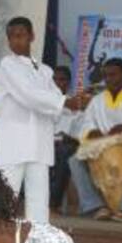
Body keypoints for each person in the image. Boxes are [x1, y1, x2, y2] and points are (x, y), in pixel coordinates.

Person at [0, 17, 89, 223]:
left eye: (21, 35)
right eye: (12, 37)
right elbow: (29, 95)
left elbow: (55, 103)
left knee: (39, 200)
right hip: (14, 143)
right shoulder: (8, 65)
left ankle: (38, 240)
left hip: (39, 143)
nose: (16, 41)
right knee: (6, 197)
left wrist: (77, 103)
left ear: (32, 36)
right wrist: (65, 102)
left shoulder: (45, 71)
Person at [68, 57, 122, 222]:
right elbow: (86, 124)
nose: (109, 79)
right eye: (106, 76)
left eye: (113, 75)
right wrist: (91, 132)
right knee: (74, 161)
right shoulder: (97, 100)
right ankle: (95, 206)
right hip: (102, 146)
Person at [50, 65, 83, 215]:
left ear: (68, 82)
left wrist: (71, 138)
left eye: (62, 79)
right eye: (54, 79)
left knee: (64, 154)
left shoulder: (75, 103)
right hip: (46, 143)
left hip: (68, 144)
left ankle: (53, 204)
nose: (57, 83)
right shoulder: (45, 103)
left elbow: (81, 132)